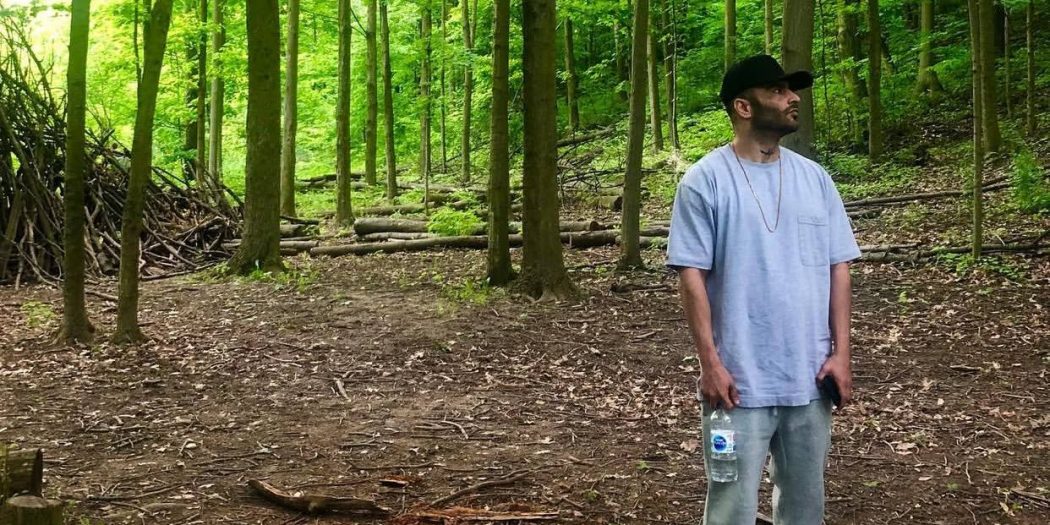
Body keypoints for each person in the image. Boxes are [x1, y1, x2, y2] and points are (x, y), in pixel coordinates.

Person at [666, 54, 861, 524]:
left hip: (809, 380)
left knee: (805, 508)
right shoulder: (705, 181)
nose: (793, 98)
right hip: (736, 386)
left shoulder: (815, 179)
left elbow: (838, 267)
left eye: (791, 89)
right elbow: (691, 276)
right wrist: (710, 364)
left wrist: (842, 355)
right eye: (778, 90)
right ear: (744, 107)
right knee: (731, 508)